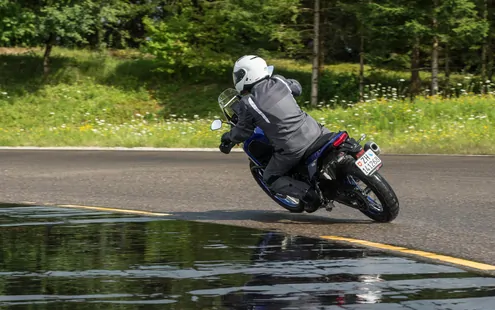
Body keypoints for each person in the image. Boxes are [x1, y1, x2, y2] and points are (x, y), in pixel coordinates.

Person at [219, 55, 331, 210]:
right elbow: (297, 88)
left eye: (239, 75)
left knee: (271, 177)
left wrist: (227, 137)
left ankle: (309, 195)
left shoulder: (248, 103)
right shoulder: (279, 81)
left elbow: (242, 133)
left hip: (292, 147)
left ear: (247, 75)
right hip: (317, 131)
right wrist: (288, 84)